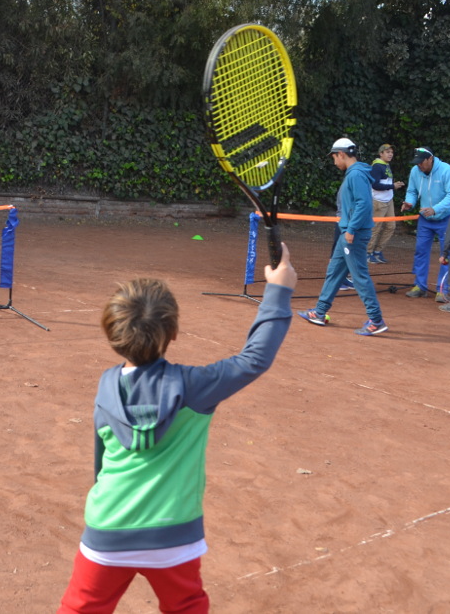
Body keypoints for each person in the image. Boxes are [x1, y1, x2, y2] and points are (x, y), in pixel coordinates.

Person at [57, 248, 298, 614]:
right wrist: (278, 290)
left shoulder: (107, 387)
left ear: (113, 333)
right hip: (174, 533)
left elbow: (101, 463)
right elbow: (254, 360)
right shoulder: (194, 386)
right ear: (173, 332)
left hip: (108, 527)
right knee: (186, 607)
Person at [297, 139, 387, 336]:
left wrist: (351, 230)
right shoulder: (356, 174)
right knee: (334, 271)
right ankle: (319, 312)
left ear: (342, 154)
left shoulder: (356, 175)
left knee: (359, 276)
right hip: (348, 231)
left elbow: (363, 204)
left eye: (334, 157)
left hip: (353, 233)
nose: (333, 161)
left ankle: (376, 320)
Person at [401, 147, 450, 300]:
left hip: (446, 219)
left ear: (430, 159)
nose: (419, 165)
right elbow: (412, 190)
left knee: (446, 254)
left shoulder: (446, 170)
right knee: (420, 251)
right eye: (416, 162)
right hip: (425, 219)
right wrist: (409, 202)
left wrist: (435, 209)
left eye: (421, 162)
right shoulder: (415, 171)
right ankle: (420, 286)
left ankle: (443, 289)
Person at [367, 144, 405, 264]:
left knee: (391, 226)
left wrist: (392, 186)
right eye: (387, 152)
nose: (390, 154)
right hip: (378, 201)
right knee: (375, 228)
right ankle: (368, 253)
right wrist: (392, 186)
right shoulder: (377, 166)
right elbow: (375, 185)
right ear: (381, 154)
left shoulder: (386, 165)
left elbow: (385, 182)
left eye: (391, 152)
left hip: (388, 200)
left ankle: (377, 251)